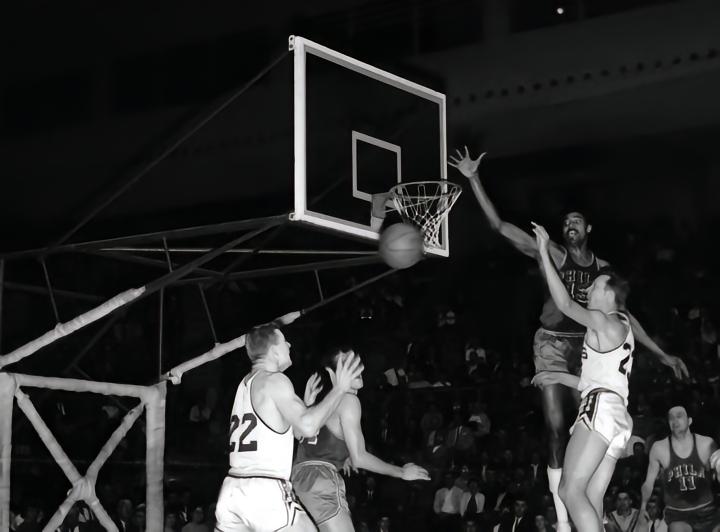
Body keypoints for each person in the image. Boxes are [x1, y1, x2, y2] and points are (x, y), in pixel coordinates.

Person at [449, 147, 689, 531]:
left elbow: (627, 317)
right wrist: (474, 179)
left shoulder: (604, 276)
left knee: (584, 433)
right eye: (566, 222)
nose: (570, 224)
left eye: (577, 220)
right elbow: (500, 227)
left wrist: (661, 353)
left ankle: (577, 508)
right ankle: (563, 521)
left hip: (587, 347)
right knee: (557, 426)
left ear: (588, 229)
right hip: (554, 343)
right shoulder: (556, 255)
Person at [214, 316, 364, 532]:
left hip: (232, 491)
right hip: (264, 490)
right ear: (274, 351)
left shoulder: (245, 384)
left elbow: (294, 432)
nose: (289, 345)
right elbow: (308, 427)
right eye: (284, 341)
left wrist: (307, 405)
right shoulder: (274, 380)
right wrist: (340, 388)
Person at [531, 223, 635, 532]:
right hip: (615, 411)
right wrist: (556, 375)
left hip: (601, 409)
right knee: (591, 496)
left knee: (570, 490)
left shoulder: (604, 321)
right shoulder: (620, 327)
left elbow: (565, 304)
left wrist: (543, 252)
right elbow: (594, 382)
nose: (588, 289)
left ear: (609, 294)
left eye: (595, 286)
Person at [291, 350, 429, 531]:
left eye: (356, 362)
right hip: (320, 481)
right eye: (347, 363)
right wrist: (401, 472)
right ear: (333, 374)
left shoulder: (322, 405)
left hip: (297, 482)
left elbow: (300, 435)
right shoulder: (349, 400)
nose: (356, 367)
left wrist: (307, 406)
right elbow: (360, 458)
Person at [638, 406, 720, 532]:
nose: (675, 421)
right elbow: (648, 483)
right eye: (671, 418)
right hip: (677, 514)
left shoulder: (706, 444)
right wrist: (642, 508)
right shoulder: (659, 448)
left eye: (679, 416)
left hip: (707, 510)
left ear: (689, 421)